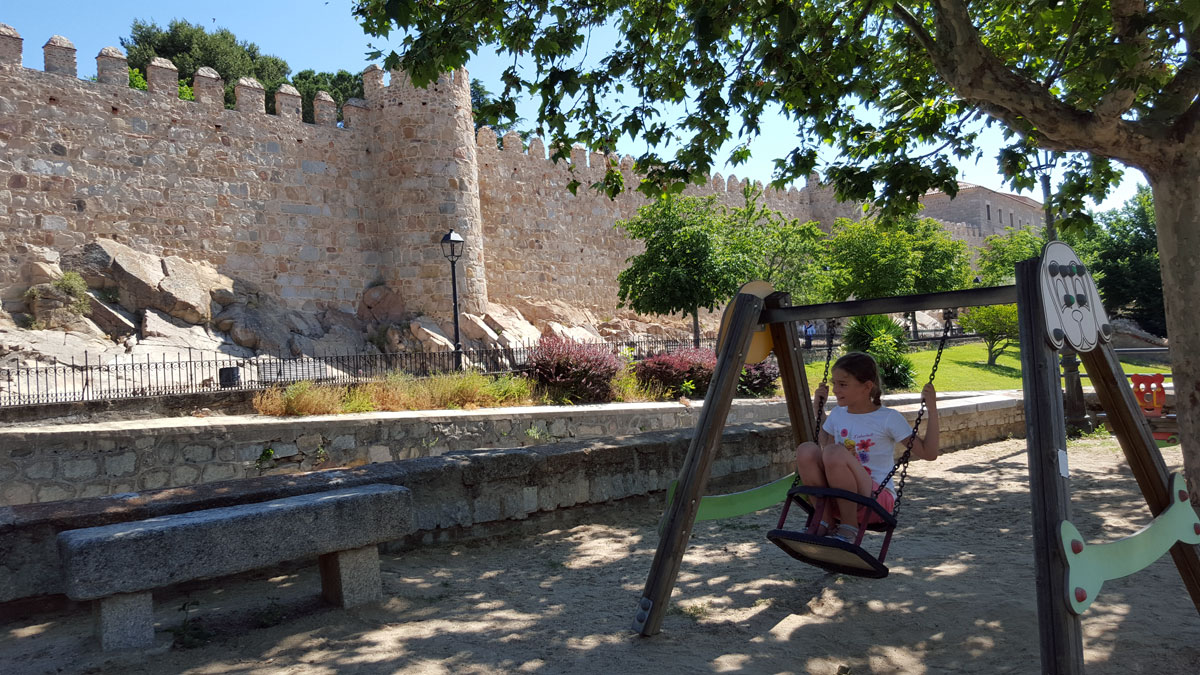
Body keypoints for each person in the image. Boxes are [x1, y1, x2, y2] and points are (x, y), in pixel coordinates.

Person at [794, 351, 939, 544]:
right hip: (837, 497)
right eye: (834, 383)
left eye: (843, 384)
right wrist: (817, 409)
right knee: (806, 450)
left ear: (867, 387)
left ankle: (849, 527)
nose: (835, 390)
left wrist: (932, 409)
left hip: (875, 500)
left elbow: (929, 453)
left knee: (835, 452)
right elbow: (826, 449)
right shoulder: (838, 413)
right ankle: (824, 521)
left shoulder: (887, 418)